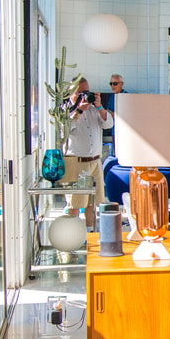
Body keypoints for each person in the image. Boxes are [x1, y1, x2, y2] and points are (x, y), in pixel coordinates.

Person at [66, 78, 113, 230]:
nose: (83, 96)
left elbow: (109, 124)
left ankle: (90, 232)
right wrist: (78, 110)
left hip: (95, 162)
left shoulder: (94, 109)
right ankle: (73, 234)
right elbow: (65, 129)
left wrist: (99, 106)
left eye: (86, 92)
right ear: (71, 93)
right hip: (77, 163)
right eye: (79, 93)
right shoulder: (66, 109)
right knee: (75, 202)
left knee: (92, 203)